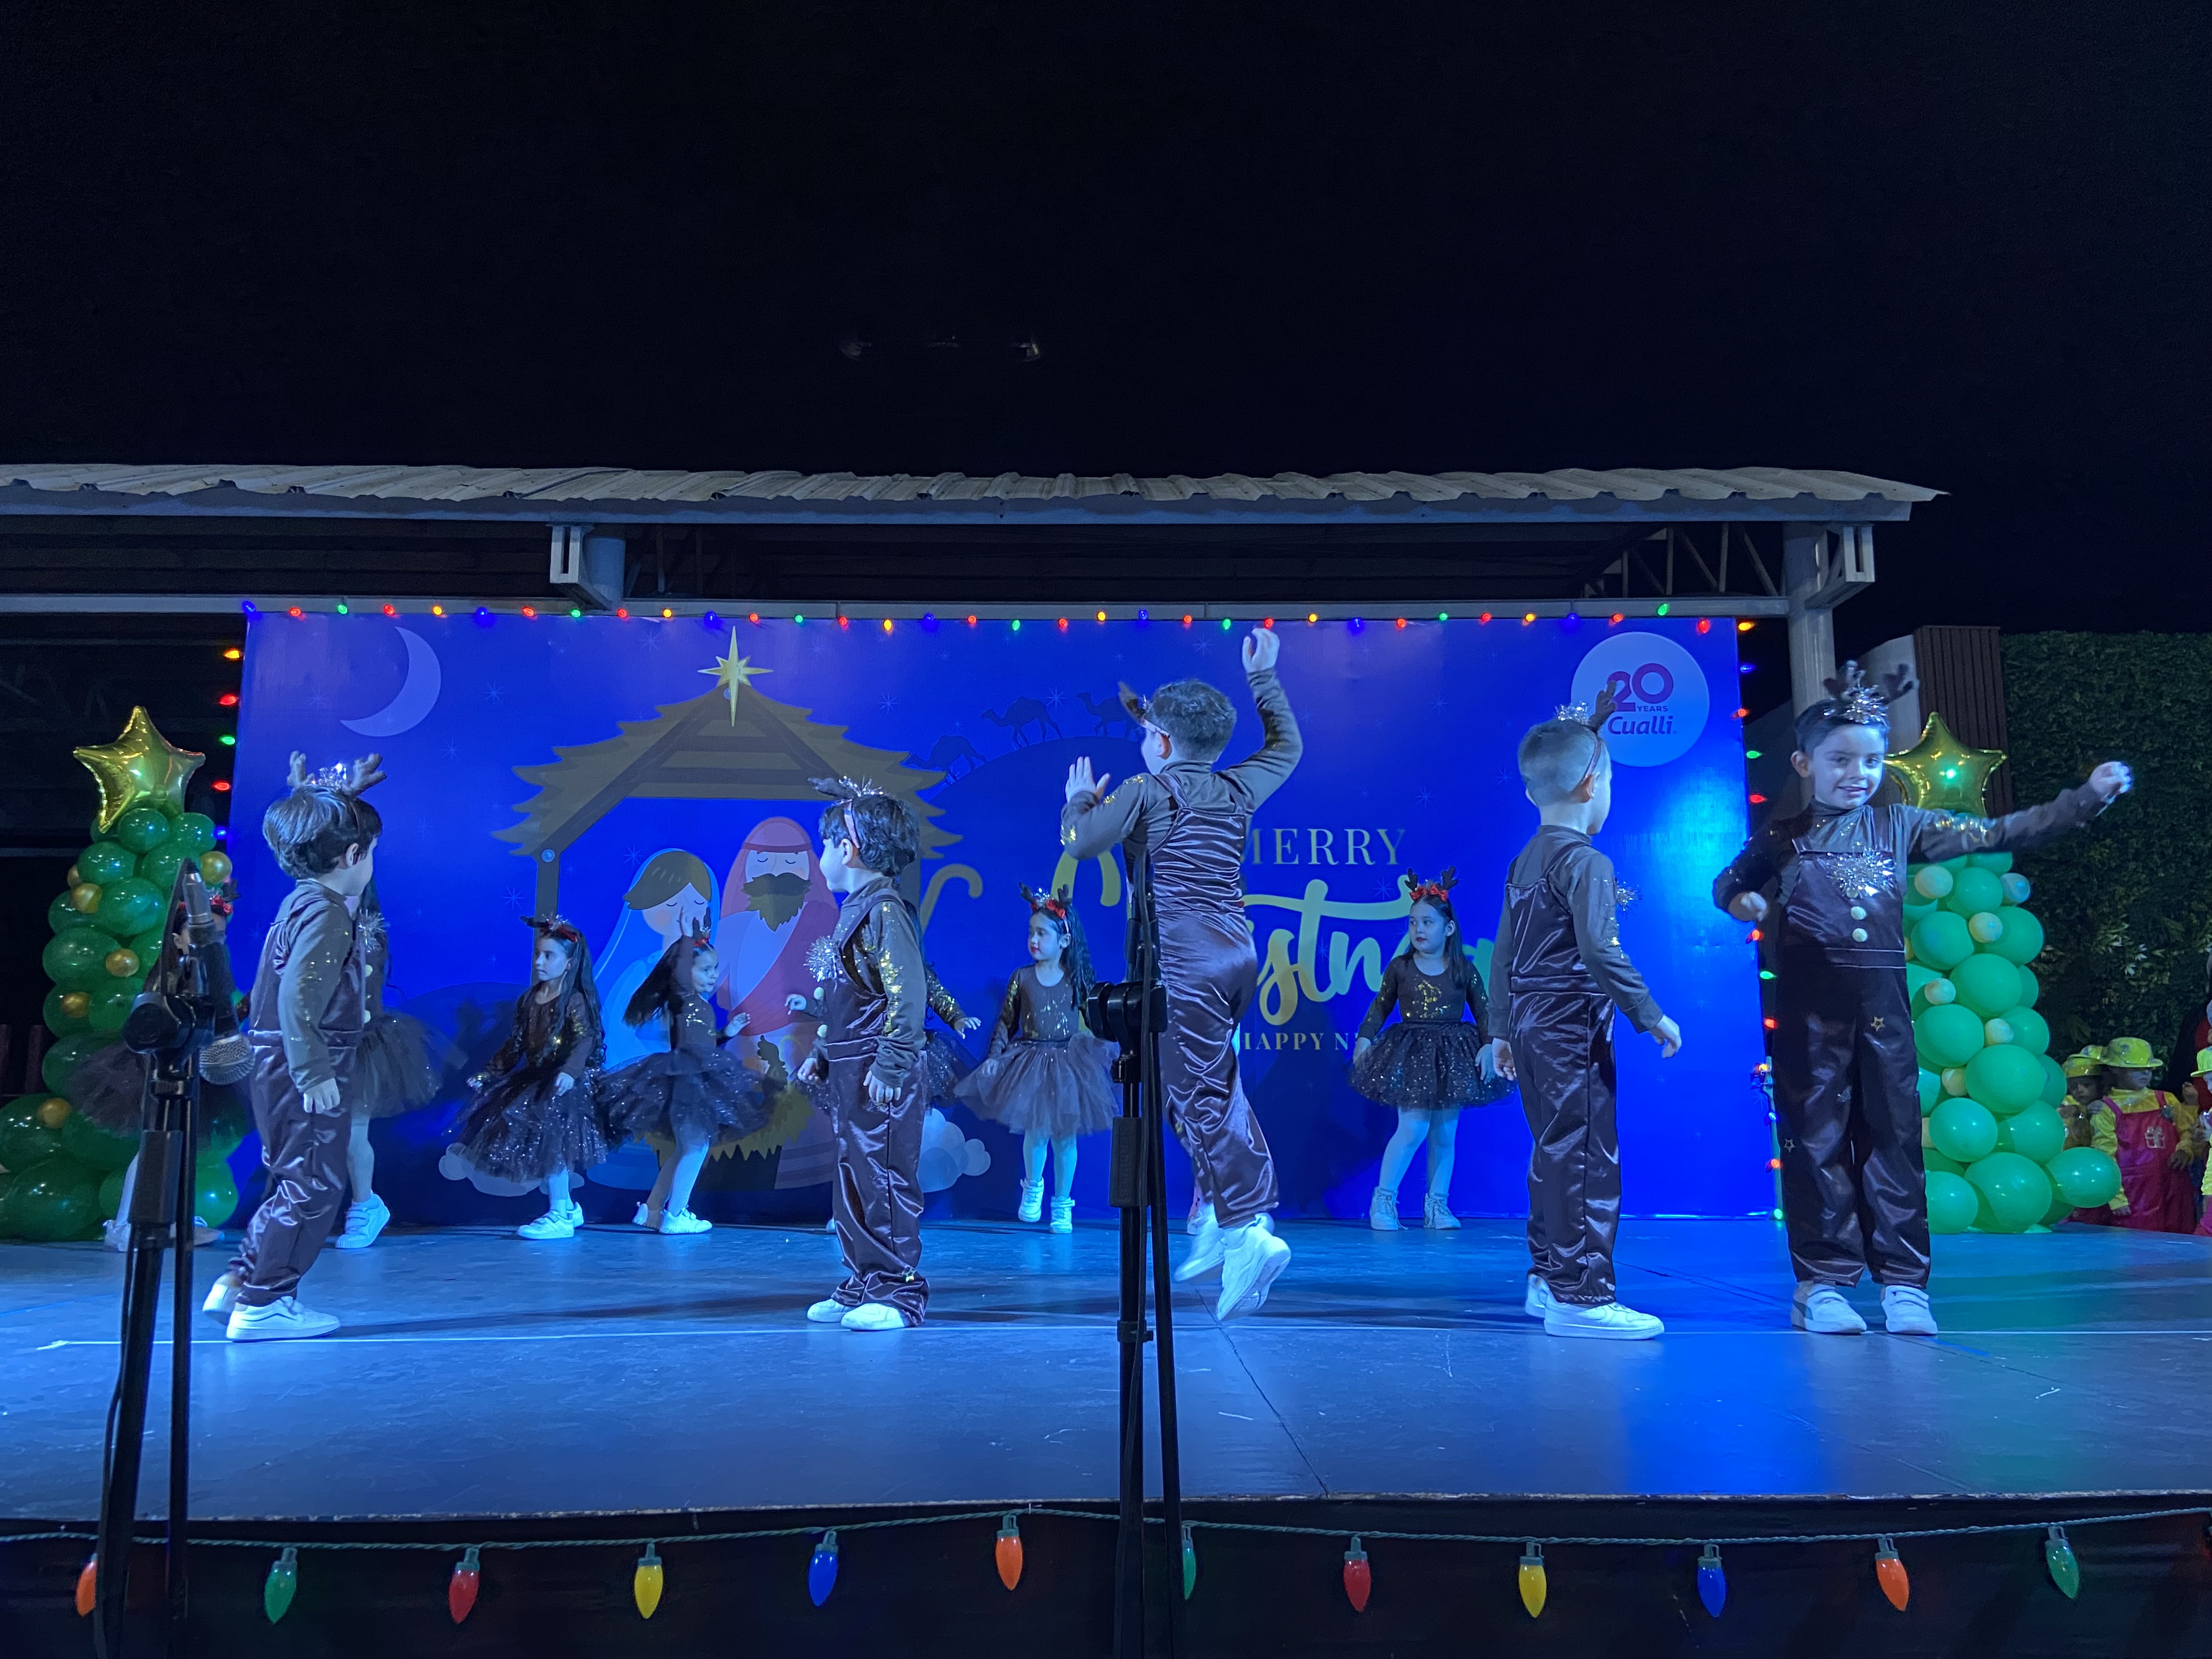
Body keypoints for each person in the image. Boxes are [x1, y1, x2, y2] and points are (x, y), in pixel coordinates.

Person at [1714, 663, 2131, 1336]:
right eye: (1840, 759)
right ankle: (1823, 1283)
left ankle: (1905, 1283)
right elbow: (1728, 883)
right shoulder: (1783, 836)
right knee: (1816, 1142)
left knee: (1895, 1139)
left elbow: (1999, 832)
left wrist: (2084, 800)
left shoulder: (1900, 826)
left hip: (1883, 1016)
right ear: (1804, 763)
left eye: (1871, 760)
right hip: (1808, 1017)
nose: (1858, 773)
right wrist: (1745, 902)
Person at [1062, 626, 1301, 1321]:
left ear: (1163, 743)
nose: (1143, 744)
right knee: (1188, 1084)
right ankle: (1221, 1216)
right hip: (1234, 955)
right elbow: (1287, 748)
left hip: (1186, 959)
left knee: (1201, 1094)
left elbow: (1080, 843)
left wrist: (1079, 800)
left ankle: (1248, 1229)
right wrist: (1264, 680)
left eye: (1146, 735)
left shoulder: (1147, 789)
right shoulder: (1238, 785)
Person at [1491, 699, 1680, 1340]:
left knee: (1554, 1147)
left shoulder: (1525, 858)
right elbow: (1600, 950)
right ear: (1592, 785)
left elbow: (1504, 952)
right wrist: (1649, 1013)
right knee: (1586, 1156)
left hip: (1530, 1019)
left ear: (1531, 790)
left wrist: (1501, 1029)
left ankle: (1548, 1276)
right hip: (1571, 1021)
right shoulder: (1586, 861)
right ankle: (1582, 1295)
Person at [202, 754, 381, 1341]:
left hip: (280, 1058)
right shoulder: (327, 915)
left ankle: (242, 1280)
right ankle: (265, 1302)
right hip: (303, 1059)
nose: (370, 865)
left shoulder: (301, 901)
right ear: (351, 856)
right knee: (313, 1184)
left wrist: (340, 801)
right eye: (369, 854)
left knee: (292, 1177)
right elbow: (298, 996)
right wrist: (313, 1070)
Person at [797, 777, 931, 1330]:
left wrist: (892, 1062)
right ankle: (864, 1280)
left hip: (880, 1072)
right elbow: (847, 997)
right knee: (854, 1176)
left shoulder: (885, 911)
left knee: (885, 1179)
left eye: (826, 844)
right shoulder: (856, 909)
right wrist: (823, 1051)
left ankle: (899, 1291)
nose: (822, 855)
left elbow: (908, 994)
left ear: (849, 850)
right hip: (851, 1069)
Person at [1351, 869, 1510, 1231]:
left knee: (1444, 1133)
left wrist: (1489, 1044)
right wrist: (1365, 1037)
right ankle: (1383, 1200)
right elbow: (1380, 1006)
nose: (1419, 930)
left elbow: (1484, 1011)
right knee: (1412, 1127)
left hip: (1452, 1055)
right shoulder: (1401, 967)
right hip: (1412, 1053)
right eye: (1413, 923)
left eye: (1427, 922)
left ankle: (1437, 1205)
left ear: (1448, 928)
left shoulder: (1463, 970)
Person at [953, 885, 1116, 1233]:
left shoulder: (1076, 979)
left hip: (1069, 1061)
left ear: (1065, 941)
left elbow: (1093, 1021)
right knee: (1036, 1130)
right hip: (1031, 1060)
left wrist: (1105, 1043)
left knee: (1065, 1137)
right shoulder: (1022, 978)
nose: (1034, 940)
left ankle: (1063, 1204)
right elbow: (1007, 1022)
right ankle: (1033, 1186)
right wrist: (995, 1056)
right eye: (1031, 932)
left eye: (1042, 933)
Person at [598, 929, 774, 1233]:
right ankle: (677, 1213)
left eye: (715, 969)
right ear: (685, 972)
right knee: (696, 1147)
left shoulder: (700, 1004)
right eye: (705, 969)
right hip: (689, 1082)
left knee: (685, 1148)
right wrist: (685, 943)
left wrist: (726, 1034)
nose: (713, 975)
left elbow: (701, 1045)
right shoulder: (684, 998)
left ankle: (653, 1209)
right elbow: (679, 978)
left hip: (696, 1078)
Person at [447, 915, 610, 1240]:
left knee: (554, 1144)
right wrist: (490, 1073)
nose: (539, 962)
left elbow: (585, 1040)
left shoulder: (574, 1000)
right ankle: (567, 1209)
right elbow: (516, 1045)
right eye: (538, 954)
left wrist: (570, 1072)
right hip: (536, 1080)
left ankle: (559, 1214)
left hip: (565, 1083)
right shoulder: (529, 999)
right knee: (544, 1144)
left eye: (549, 956)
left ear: (569, 963)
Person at [334, 880, 447, 1249]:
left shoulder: (366, 933)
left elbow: (356, 984)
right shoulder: (321, 927)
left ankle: (364, 1204)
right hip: (324, 1043)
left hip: (360, 1045)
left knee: (353, 1132)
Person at [2080, 1036, 2200, 1234]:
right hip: (2134, 1194)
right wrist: (2116, 1199)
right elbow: (2105, 1157)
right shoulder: (2106, 1109)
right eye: (2137, 1068)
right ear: (2116, 1069)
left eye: (2149, 1068)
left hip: (2174, 1187)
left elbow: (2187, 1131)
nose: (2146, 1072)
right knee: (2139, 1246)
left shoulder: (2167, 1100)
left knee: (2180, 1240)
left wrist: (2185, 1151)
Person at [2058, 1048, 2106, 1151]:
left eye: (2087, 1085)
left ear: (2100, 1083)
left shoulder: (2111, 1104)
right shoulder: (2066, 1104)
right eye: (2073, 1086)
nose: (2080, 1090)